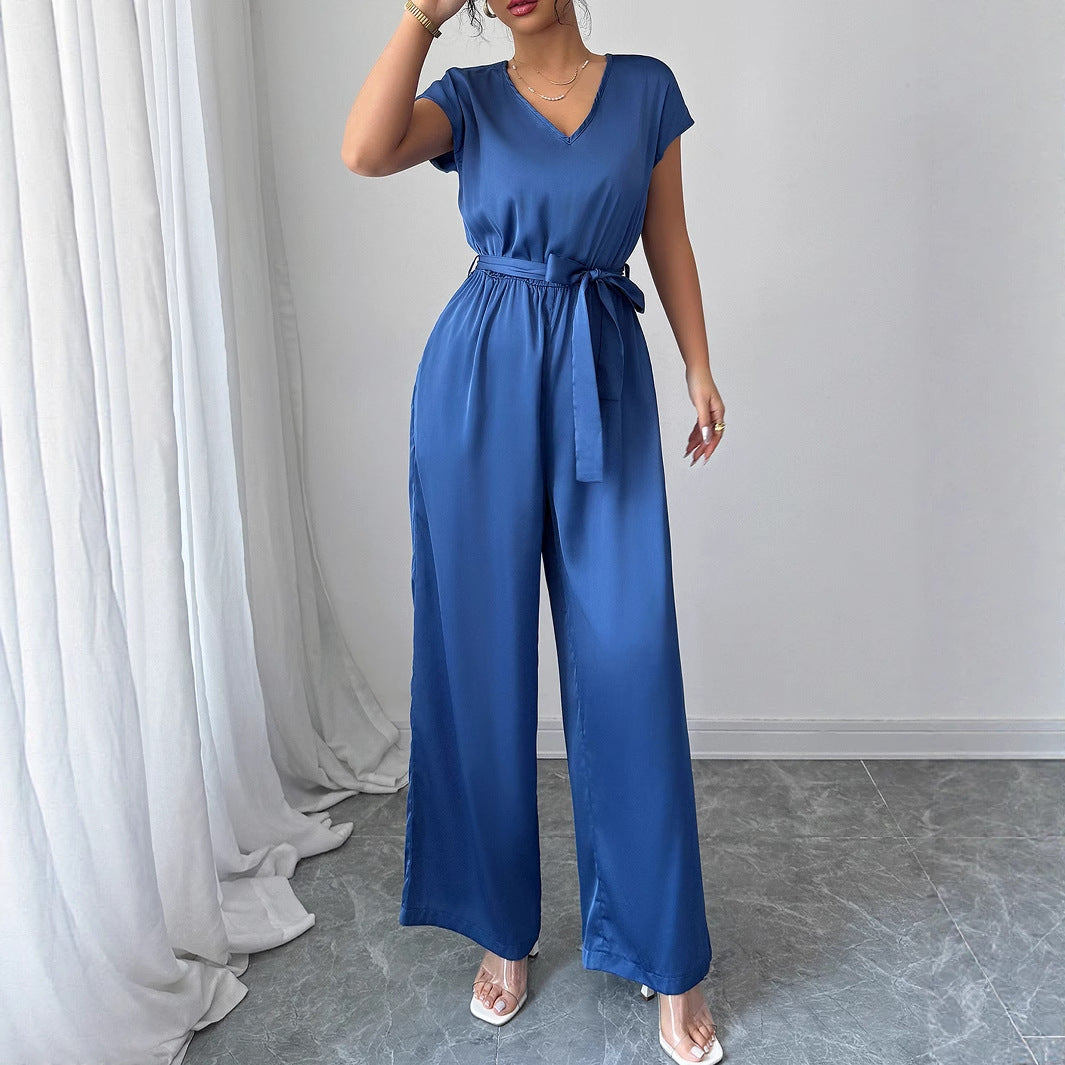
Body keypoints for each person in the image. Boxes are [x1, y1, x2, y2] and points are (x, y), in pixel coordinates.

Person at [342, 1, 726, 1061]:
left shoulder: (645, 89)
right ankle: (499, 928)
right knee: (478, 659)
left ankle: (666, 952)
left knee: (630, 656)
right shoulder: (466, 100)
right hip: (480, 378)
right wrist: (418, 19)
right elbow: (364, 150)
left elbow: (666, 233)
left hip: (601, 373)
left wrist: (698, 364)